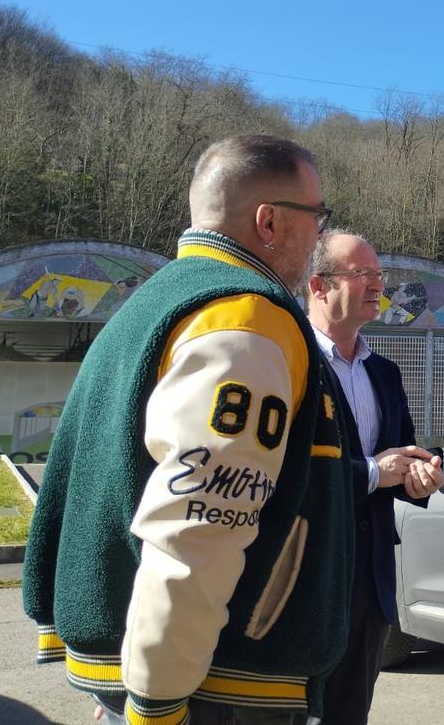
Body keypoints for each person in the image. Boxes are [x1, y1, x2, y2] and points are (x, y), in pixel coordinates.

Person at [23, 134, 354, 725]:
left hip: (155, 662)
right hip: (214, 685)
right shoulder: (246, 317)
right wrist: (156, 701)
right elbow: (199, 527)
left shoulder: (152, 302)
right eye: (316, 216)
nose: (319, 237)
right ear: (270, 221)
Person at [305, 230, 444, 724]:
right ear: (319, 287)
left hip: (369, 581)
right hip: (305, 579)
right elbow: (284, 470)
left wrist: (418, 477)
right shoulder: (289, 362)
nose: (376, 285)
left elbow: (398, 457)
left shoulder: (383, 371)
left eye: (378, 275)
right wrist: (370, 473)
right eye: (361, 274)